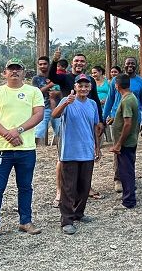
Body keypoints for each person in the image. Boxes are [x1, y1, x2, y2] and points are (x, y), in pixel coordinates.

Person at [0, 58, 44, 245]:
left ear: (24, 73)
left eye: (18, 69)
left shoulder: (33, 92)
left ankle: (25, 221)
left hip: (26, 149)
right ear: (5, 72)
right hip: (2, 149)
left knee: (25, 187)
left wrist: (18, 131)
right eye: (11, 69)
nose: (14, 72)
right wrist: (8, 134)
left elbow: (39, 114)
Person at [48, 48, 104, 203]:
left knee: (86, 157)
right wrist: (54, 61)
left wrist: (100, 120)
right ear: (72, 63)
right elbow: (51, 76)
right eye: (76, 61)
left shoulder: (89, 80)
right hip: (68, 121)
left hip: (85, 122)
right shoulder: (65, 78)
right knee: (63, 159)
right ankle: (59, 190)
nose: (79, 63)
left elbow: (95, 99)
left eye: (82, 61)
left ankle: (87, 187)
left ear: (85, 64)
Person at [51, 74, 100, 235]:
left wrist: (97, 147)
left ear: (90, 88)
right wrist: (65, 103)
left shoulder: (92, 104)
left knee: (84, 186)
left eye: (87, 86)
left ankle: (79, 213)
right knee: (68, 188)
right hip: (70, 152)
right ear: (75, 86)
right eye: (81, 85)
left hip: (87, 151)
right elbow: (55, 115)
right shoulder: (68, 101)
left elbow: (95, 127)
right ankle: (67, 219)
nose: (84, 88)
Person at [103, 57, 142, 193]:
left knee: (130, 149)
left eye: (133, 64)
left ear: (136, 66)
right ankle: (118, 178)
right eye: (128, 63)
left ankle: (129, 177)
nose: (130, 65)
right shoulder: (115, 82)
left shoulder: (141, 83)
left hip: (134, 120)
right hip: (116, 118)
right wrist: (103, 117)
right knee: (118, 149)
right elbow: (110, 100)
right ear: (124, 65)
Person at [109, 73, 141, 209]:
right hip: (130, 141)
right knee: (127, 169)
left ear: (117, 86)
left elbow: (127, 123)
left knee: (126, 171)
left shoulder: (127, 100)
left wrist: (118, 143)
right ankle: (129, 195)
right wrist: (115, 120)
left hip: (126, 143)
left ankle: (128, 201)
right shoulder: (131, 97)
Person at [32, 56, 58, 146]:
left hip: (58, 108)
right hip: (44, 108)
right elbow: (37, 92)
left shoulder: (56, 77)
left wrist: (56, 93)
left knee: (60, 131)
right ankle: (37, 150)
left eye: (45, 64)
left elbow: (64, 91)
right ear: (38, 66)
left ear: (49, 64)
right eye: (40, 64)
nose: (43, 66)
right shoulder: (36, 79)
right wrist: (49, 85)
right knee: (39, 131)